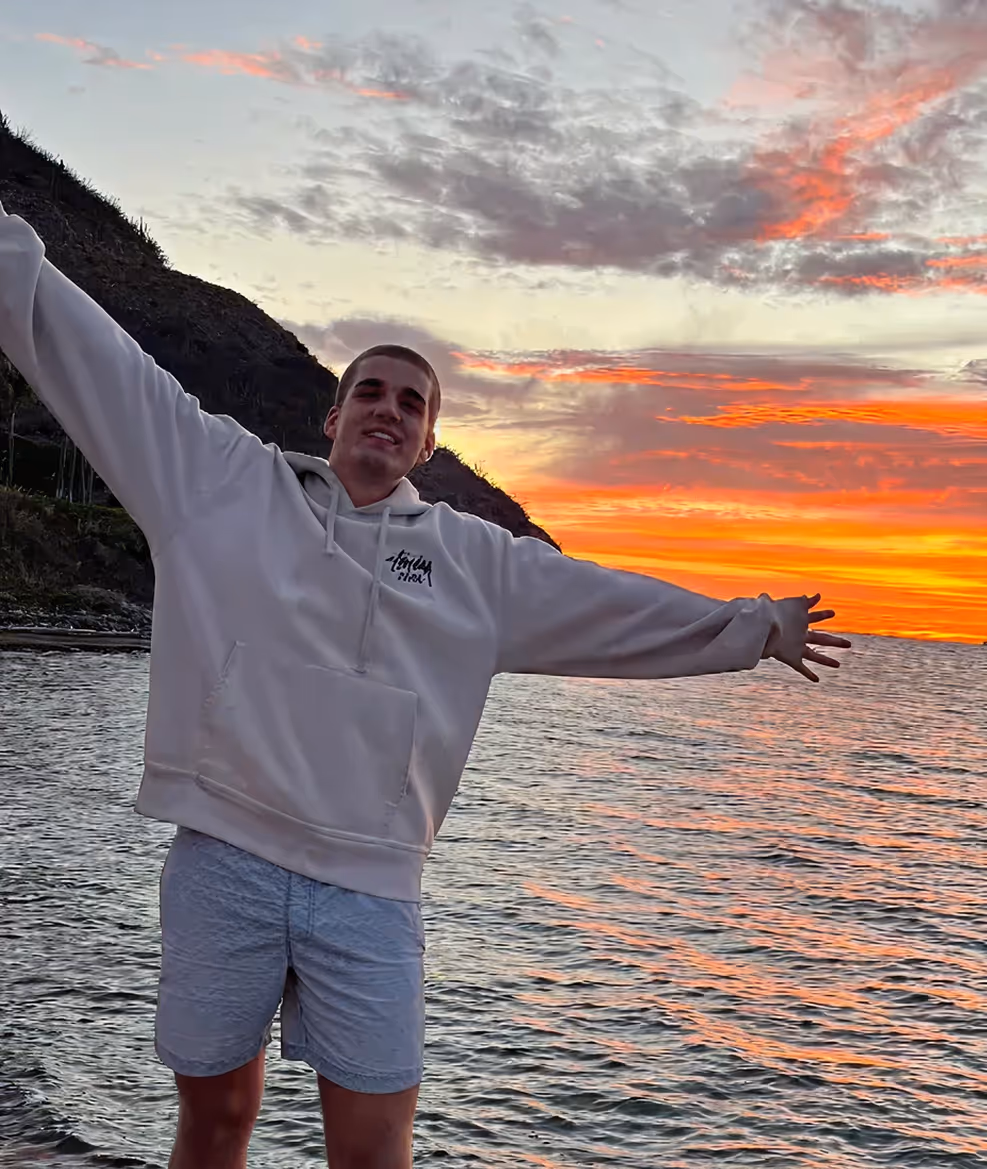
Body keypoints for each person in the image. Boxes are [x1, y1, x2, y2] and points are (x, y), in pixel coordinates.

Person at [0, 202, 850, 1169]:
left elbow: (613, 604)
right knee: (216, 1118)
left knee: (374, 1150)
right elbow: (100, 364)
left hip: (370, 886)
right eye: (369, 390)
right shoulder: (218, 482)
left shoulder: (477, 565)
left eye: (412, 401)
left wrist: (755, 626)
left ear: (429, 441)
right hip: (224, 856)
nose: (388, 408)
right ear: (333, 417)